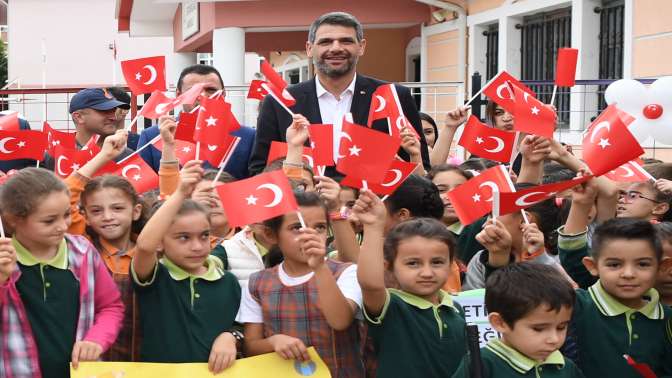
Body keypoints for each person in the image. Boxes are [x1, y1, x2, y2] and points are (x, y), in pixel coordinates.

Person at [249, 11, 429, 177]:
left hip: (373, 207)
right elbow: (260, 170)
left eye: (346, 41)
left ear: (361, 47)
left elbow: (420, 165)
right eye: (325, 42)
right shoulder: (278, 103)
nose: (336, 48)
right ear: (310, 48)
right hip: (306, 209)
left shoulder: (394, 96)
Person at [0, 168, 124, 377]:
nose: (62, 226)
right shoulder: (4, 259)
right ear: (14, 219)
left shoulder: (83, 252)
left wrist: (96, 339)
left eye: (67, 214)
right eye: (49, 221)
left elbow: (111, 306)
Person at [131, 160, 241, 373]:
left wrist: (231, 337)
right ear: (160, 242)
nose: (197, 246)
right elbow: (144, 246)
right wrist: (180, 193)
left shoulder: (228, 281)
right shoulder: (156, 276)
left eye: (204, 236)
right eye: (183, 237)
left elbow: (239, 325)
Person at [239, 191, 364, 377]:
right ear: (271, 235)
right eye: (297, 227)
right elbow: (250, 345)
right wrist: (273, 342)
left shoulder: (346, 272)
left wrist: (320, 267)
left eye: (320, 227)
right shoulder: (258, 283)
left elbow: (340, 321)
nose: (309, 234)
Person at [559, 180, 672, 377]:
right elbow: (571, 253)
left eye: (643, 264)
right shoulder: (578, 306)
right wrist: (580, 205)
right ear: (592, 267)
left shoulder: (667, 317)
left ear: (661, 267)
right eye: (614, 264)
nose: (628, 274)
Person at [354, 190, 466, 377]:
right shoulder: (391, 306)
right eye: (413, 263)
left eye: (437, 262)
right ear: (388, 267)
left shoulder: (455, 309)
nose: (427, 272)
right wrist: (373, 227)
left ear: (451, 263)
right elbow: (370, 284)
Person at [65, 130, 144, 361]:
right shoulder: (84, 248)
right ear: (85, 217)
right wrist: (103, 156)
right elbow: (65, 198)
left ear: (136, 211)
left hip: (147, 358)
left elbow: (170, 201)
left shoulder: (151, 250)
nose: (108, 216)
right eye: (97, 211)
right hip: (94, 357)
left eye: (118, 208)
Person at [452, 262, 584, 377]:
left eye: (561, 327)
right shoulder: (480, 364)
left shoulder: (565, 367)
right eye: (538, 329)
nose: (554, 339)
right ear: (500, 322)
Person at [136, 64, 255, 179]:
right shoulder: (152, 137)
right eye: (193, 90)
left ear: (223, 94)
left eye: (211, 90)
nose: (202, 96)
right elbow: (144, 189)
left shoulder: (248, 137)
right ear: (179, 94)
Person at [43, 88, 133, 170]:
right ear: (79, 117)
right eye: (105, 111)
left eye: (114, 111)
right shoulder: (55, 155)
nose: (113, 117)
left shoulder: (125, 155)